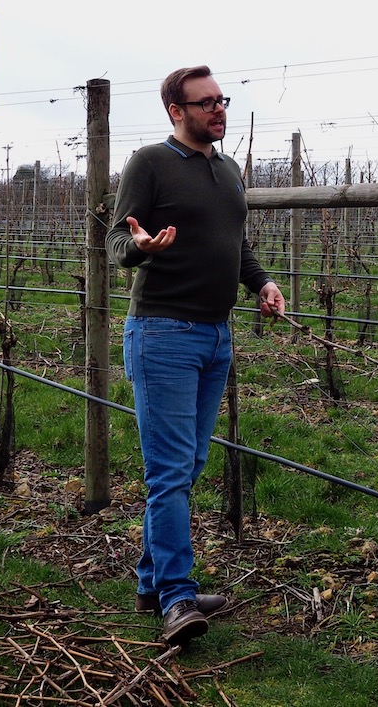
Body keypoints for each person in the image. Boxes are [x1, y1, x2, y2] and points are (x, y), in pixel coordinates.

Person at [106, 65, 285, 645]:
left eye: (221, 100)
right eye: (205, 103)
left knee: (186, 468)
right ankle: (178, 601)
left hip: (215, 336)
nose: (218, 110)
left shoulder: (228, 169)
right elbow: (115, 243)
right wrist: (138, 247)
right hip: (162, 333)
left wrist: (260, 283)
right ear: (175, 111)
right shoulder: (150, 163)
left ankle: (152, 581)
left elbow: (236, 244)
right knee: (169, 474)